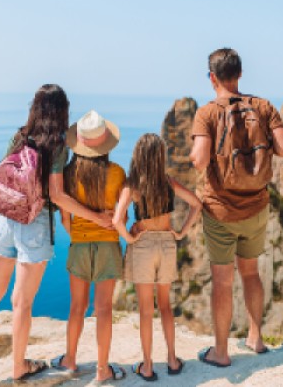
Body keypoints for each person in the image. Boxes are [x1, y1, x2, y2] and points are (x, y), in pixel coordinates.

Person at [0, 85, 114, 382]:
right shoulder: (57, 146)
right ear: (62, 111)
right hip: (34, 224)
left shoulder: (20, 135)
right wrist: (96, 217)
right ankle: (19, 367)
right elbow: (56, 195)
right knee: (22, 302)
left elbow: (0, 178)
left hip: (5, 217)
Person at [190, 48, 283, 367]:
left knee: (222, 280)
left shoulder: (207, 113)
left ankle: (221, 352)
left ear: (212, 78)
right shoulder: (263, 107)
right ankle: (256, 337)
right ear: (239, 74)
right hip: (257, 207)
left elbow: (199, 159)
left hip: (220, 210)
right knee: (251, 273)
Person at [113, 133, 202, 382]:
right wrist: (181, 231)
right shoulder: (169, 183)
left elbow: (117, 220)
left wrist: (130, 240)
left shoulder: (132, 186)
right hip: (166, 243)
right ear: (160, 157)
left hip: (143, 246)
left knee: (145, 309)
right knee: (164, 305)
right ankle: (173, 360)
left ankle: (148, 366)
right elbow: (197, 203)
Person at [49, 110, 127, 382]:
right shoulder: (118, 173)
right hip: (108, 246)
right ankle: (103, 369)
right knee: (104, 308)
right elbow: (122, 218)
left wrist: (79, 233)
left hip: (79, 246)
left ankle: (69, 360)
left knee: (76, 307)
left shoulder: (68, 173)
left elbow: (65, 218)